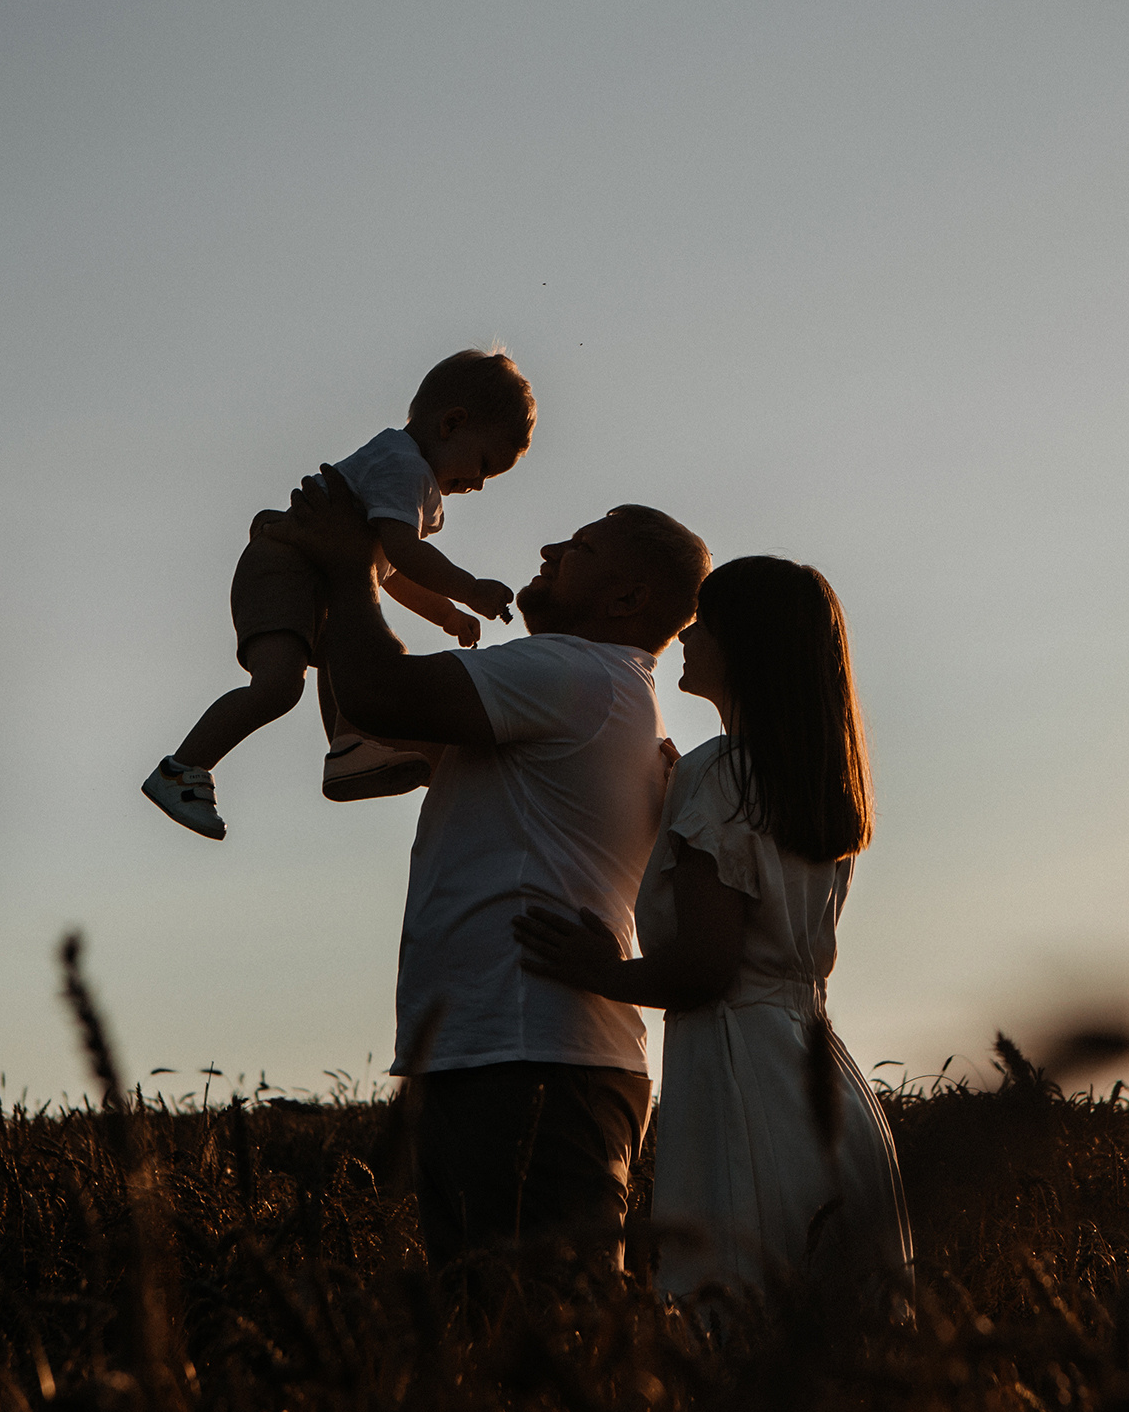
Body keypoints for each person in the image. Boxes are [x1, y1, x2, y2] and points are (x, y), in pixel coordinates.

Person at [259, 462, 710, 1270]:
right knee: (495, 1332)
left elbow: (381, 691)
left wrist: (350, 566)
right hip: (503, 1050)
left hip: (532, 1055)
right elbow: (360, 736)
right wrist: (337, 593)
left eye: (582, 546)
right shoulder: (579, 691)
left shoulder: (573, 673)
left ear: (627, 599)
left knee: (542, 1331)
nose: (549, 546)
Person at [514, 556, 913, 1303]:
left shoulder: (719, 776)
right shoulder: (800, 783)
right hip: (824, 1081)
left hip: (743, 1082)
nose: (689, 633)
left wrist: (596, 969)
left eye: (708, 620)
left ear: (747, 644)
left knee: (736, 1321)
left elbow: (704, 967)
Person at [142, 349, 535, 841]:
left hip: (308, 572)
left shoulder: (404, 472)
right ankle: (182, 769)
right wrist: (468, 588)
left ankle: (351, 746)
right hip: (285, 566)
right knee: (279, 686)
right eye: (482, 465)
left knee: (351, 650)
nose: (478, 484)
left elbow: (384, 574)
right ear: (452, 423)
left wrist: (446, 616)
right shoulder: (403, 466)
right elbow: (402, 553)